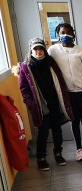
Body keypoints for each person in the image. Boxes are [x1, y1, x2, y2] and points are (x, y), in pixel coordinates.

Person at [14, 38, 74, 170]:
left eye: (41, 49)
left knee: (57, 130)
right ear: (31, 50)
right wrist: (30, 103)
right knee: (43, 132)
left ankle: (58, 154)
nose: (38, 51)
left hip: (54, 102)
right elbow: (24, 89)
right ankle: (41, 158)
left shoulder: (51, 63)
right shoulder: (25, 67)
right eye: (35, 49)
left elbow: (60, 81)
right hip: (40, 106)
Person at [48, 23, 82, 162]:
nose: (65, 35)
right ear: (58, 34)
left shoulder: (81, 50)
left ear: (73, 34)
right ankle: (79, 150)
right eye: (62, 32)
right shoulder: (53, 50)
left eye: (68, 32)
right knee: (74, 120)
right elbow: (43, 62)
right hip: (67, 93)